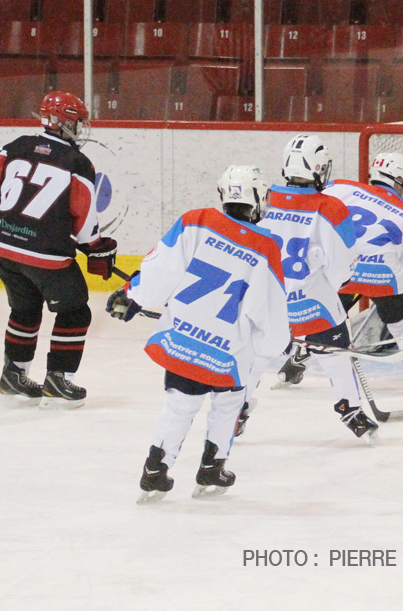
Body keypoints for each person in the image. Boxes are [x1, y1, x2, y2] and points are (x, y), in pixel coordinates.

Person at [108, 166, 290, 503]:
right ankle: (211, 468)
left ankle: (154, 470)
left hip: (184, 341)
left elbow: (160, 271)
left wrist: (134, 294)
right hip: (228, 349)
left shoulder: (196, 221)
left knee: (179, 405)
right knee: (229, 403)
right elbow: (269, 307)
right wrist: (277, 343)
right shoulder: (266, 246)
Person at [0, 91, 117, 408]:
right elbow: (83, 221)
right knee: (75, 311)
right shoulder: (77, 162)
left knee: (24, 309)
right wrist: (95, 247)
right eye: (77, 122)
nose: (80, 128)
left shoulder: (17, 146)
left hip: (6, 250)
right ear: (65, 122)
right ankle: (58, 378)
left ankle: (13, 373)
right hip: (47, 258)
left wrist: (8, 207)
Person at [264, 134, 380, 444]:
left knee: (255, 356)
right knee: (336, 351)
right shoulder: (330, 207)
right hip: (312, 300)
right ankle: (350, 410)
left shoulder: (265, 198)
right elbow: (341, 269)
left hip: (269, 299)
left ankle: (239, 413)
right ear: (318, 168)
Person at [322, 152, 403, 393]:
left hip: (339, 270)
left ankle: (296, 359)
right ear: (399, 181)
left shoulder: (340, 187)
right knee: (402, 321)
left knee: (324, 312)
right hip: (381, 276)